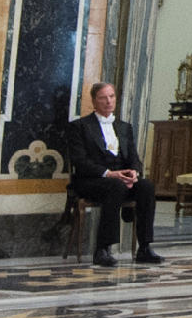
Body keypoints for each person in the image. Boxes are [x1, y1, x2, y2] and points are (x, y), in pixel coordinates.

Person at [62, 82, 160, 268]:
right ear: (94, 101)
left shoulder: (124, 127)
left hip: (121, 180)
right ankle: (102, 249)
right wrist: (109, 174)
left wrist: (134, 172)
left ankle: (145, 247)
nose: (108, 101)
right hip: (91, 180)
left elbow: (133, 157)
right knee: (115, 186)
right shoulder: (80, 126)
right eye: (103, 98)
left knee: (146, 186)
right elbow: (80, 161)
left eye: (112, 96)